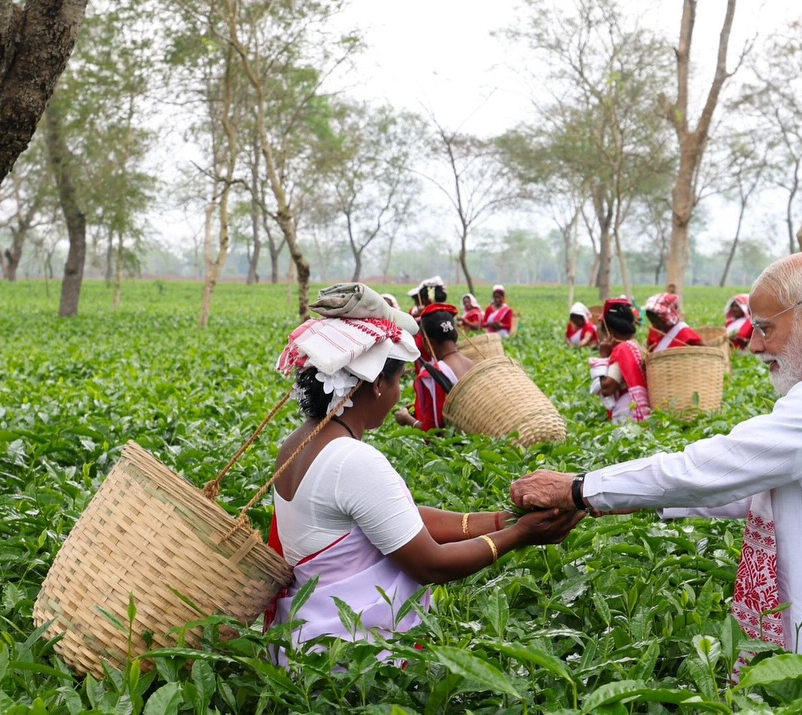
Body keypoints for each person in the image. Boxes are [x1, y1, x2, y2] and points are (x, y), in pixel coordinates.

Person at [510, 253, 802, 674]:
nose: (753, 345)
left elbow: (722, 465)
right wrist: (637, 500)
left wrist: (581, 488)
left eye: (766, 327)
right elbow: (762, 487)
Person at [267, 283, 582, 664]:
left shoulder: (297, 442)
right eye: (398, 380)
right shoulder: (352, 460)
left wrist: (501, 519)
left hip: (306, 642)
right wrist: (519, 535)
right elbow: (430, 564)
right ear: (378, 384)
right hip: (349, 658)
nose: (401, 391)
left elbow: (401, 520)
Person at [395, 303, 475, 431]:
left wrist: (406, 418)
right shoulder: (473, 364)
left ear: (428, 343)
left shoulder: (431, 376)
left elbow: (434, 432)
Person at [589, 298, 650, 423]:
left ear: (610, 332)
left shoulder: (622, 349)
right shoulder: (638, 346)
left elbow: (607, 388)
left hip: (627, 415)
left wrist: (603, 355)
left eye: (602, 330)